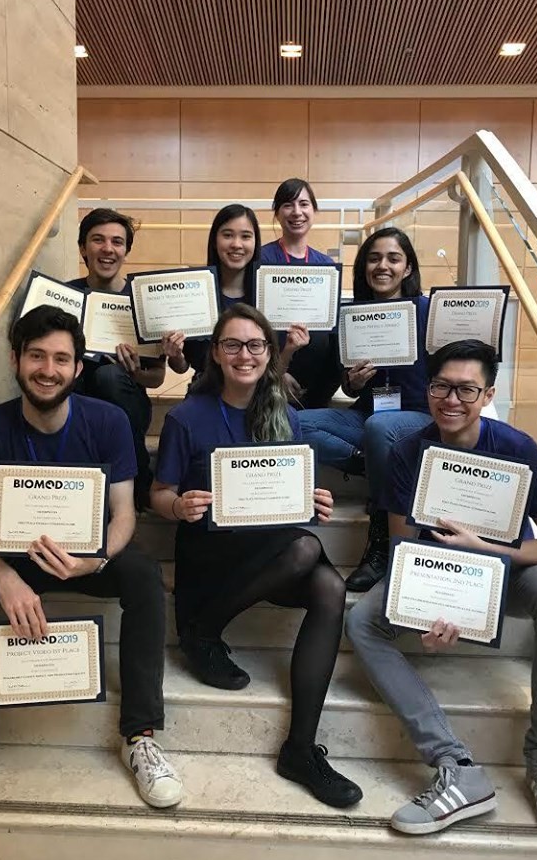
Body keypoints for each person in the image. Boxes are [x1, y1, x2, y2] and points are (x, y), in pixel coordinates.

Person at [0, 305, 182, 830]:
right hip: (9, 562)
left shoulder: (109, 422)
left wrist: (94, 559)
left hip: (84, 557)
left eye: (61, 358)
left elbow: (125, 513)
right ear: (16, 360)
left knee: (144, 574)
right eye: (37, 356)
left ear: (79, 368)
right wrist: (4, 576)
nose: (48, 369)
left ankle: (141, 738)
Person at [346, 339, 537, 847]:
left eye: (465, 389)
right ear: (427, 389)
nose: (450, 400)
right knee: (363, 620)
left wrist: (492, 546)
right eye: (440, 387)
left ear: (487, 393)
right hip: (437, 574)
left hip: (504, 573)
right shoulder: (408, 452)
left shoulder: (517, 449)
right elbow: (402, 546)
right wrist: (439, 604)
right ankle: (455, 764)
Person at [151, 303, 362, 809]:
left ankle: (300, 748)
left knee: (329, 585)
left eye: (255, 345)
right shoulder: (186, 417)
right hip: (212, 552)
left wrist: (313, 498)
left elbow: (286, 490)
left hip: (271, 549)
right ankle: (202, 627)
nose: (244, 355)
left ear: (269, 353)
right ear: (216, 355)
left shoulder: (284, 413)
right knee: (306, 548)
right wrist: (177, 504)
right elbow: (158, 493)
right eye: (232, 345)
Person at [299, 228, 433, 592]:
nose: (382, 266)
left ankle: (380, 539)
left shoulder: (429, 313)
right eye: (374, 258)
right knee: (290, 421)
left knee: (380, 427)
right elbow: (348, 386)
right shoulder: (354, 314)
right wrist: (354, 383)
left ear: (408, 268)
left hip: (419, 420)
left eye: (393, 258)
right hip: (367, 418)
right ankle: (372, 460)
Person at [69, 207, 166, 510]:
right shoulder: (66, 296)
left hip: (126, 403)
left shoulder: (142, 300)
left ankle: (137, 481)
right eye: (98, 240)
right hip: (78, 402)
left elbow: (158, 378)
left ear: (126, 250)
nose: (108, 249)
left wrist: (135, 371)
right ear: (83, 247)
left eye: (117, 242)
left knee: (108, 377)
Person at [162, 203, 308, 383]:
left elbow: (271, 375)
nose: (236, 244)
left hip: (256, 398)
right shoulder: (195, 293)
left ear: (256, 243)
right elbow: (182, 367)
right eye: (228, 235)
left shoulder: (270, 295)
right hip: (207, 393)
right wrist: (175, 355)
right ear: (215, 241)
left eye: (246, 236)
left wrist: (289, 349)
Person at [260, 178, 340, 408]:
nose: (297, 212)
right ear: (276, 213)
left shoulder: (325, 265)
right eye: (288, 205)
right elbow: (255, 326)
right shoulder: (262, 260)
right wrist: (279, 373)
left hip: (317, 383)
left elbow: (330, 327)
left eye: (304, 204)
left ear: (314, 210)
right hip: (272, 376)